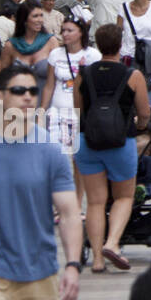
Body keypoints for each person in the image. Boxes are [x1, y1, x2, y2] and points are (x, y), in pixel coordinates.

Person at [0, 65, 83, 300]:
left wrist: (73, 266)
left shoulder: (51, 151)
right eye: (18, 90)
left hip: (40, 274)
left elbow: (69, 213)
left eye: (33, 91)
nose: (27, 96)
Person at [72, 22, 151, 273]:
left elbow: (78, 109)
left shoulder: (83, 74)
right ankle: (113, 243)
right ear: (120, 45)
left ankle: (96, 259)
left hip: (88, 141)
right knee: (124, 196)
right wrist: (140, 125)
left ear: (97, 43)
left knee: (95, 202)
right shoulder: (133, 76)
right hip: (121, 142)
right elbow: (144, 113)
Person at [43, 17, 99, 179]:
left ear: (81, 32)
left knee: (78, 160)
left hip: (80, 114)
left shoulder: (92, 55)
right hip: (57, 113)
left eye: (70, 30)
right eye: (63, 30)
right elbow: (49, 85)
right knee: (55, 157)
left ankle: (76, 197)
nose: (65, 34)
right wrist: (41, 111)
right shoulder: (55, 55)